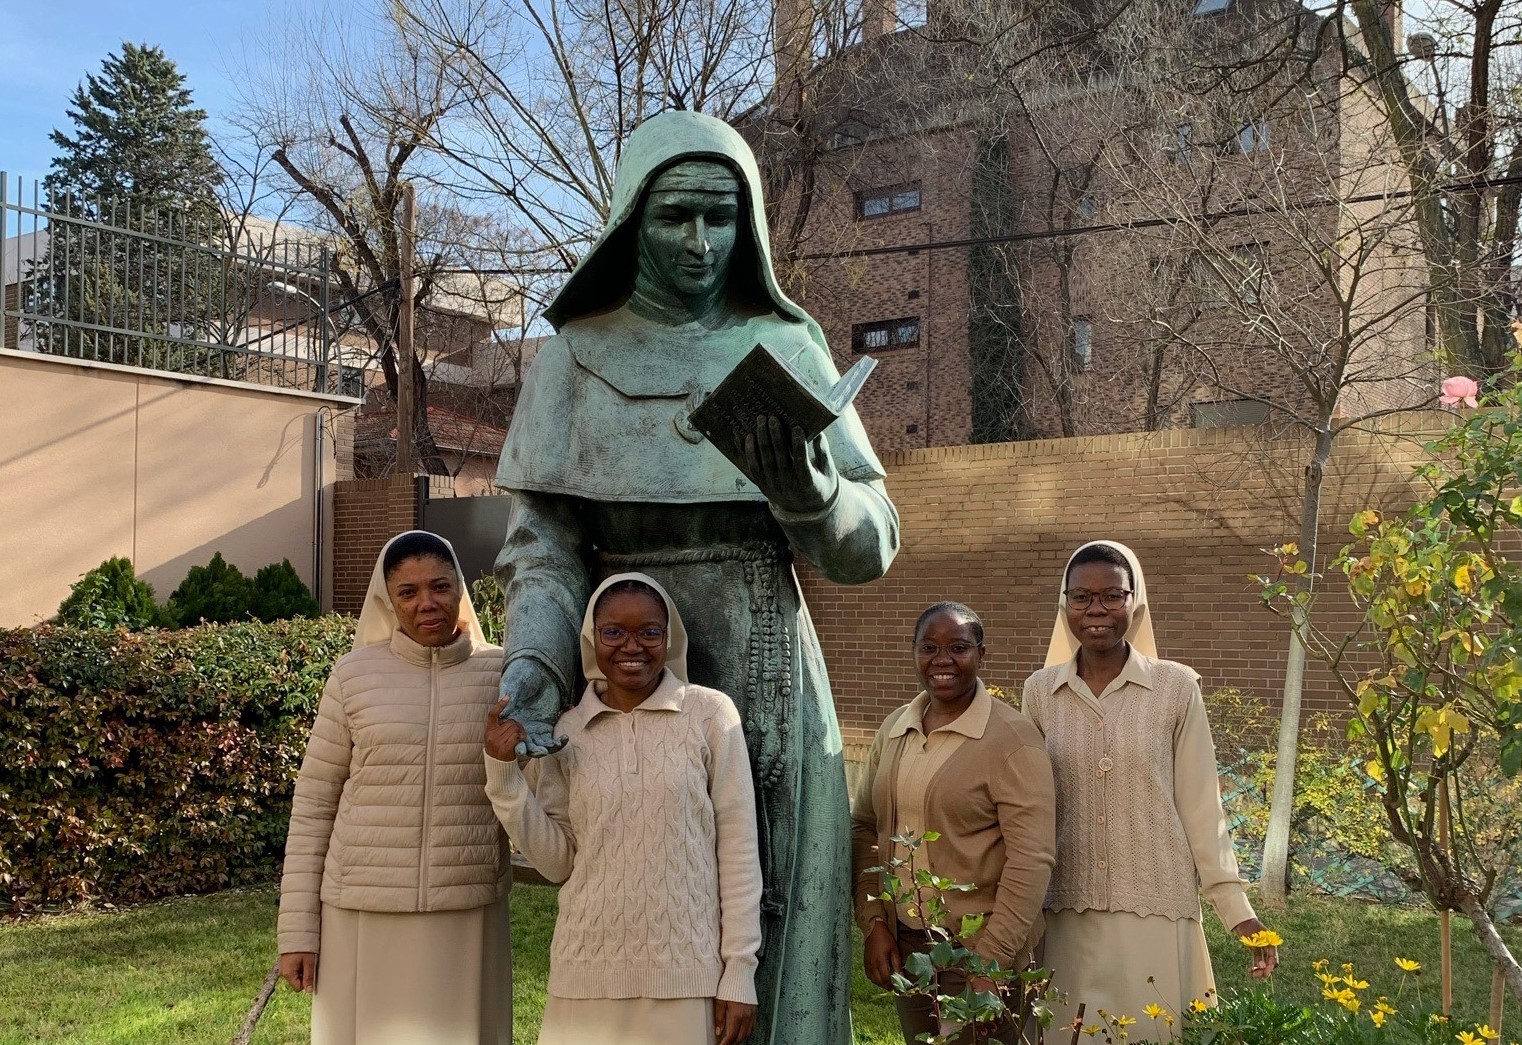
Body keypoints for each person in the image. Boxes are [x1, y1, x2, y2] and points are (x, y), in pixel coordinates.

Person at [492, 110, 898, 1045]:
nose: (700, 241)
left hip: (768, 671)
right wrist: (537, 673)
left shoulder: (786, 347)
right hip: (626, 673)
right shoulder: (575, 357)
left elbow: (869, 546)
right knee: (640, 908)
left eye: (721, 216)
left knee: (780, 917)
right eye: (676, 215)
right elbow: (543, 549)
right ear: (633, 217)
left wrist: (812, 491)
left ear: (747, 223)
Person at [484, 573, 762, 1045]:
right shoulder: (569, 730)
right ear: (594, 639)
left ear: (668, 637)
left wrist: (739, 970)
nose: (631, 646)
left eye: (648, 632)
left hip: (685, 977)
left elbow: (738, 852)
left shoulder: (711, 715)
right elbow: (556, 863)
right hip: (584, 972)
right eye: (614, 632)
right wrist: (503, 774)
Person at [1021, 541, 1277, 1039]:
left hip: (1156, 905)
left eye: (1112, 596)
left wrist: (1236, 909)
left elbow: (1203, 806)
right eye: (1082, 597)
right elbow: (1027, 807)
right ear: (1064, 604)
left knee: (1150, 1030)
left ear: (1134, 601)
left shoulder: (1177, 689)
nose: (1096, 610)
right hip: (1064, 908)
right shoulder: (1039, 693)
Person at [277, 530, 510, 1045]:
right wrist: (297, 932)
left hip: (465, 909)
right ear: (388, 600)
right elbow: (314, 805)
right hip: (362, 914)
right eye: (408, 592)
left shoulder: (502, 675)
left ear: (459, 590)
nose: (427, 603)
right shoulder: (354, 676)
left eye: (440, 587)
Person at [851, 601, 1055, 1045]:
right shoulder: (895, 730)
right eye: (929, 647)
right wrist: (875, 924)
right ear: (914, 652)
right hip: (909, 949)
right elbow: (865, 827)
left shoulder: (1012, 740)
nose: (942, 660)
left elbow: (1032, 859)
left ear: (982, 654)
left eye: (958, 647)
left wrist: (991, 961)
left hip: (983, 948)